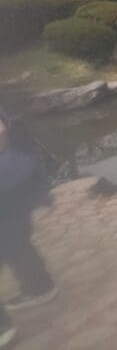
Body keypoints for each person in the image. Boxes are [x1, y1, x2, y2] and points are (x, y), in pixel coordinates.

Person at [0, 109, 58, 313]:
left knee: (12, 240)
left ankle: (39, 287)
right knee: (15, 239)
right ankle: (39, 284)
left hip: (12, 180)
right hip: (17, 175)